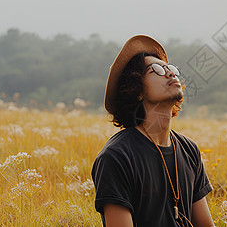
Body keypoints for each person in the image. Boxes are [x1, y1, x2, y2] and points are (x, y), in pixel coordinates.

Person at [91, 35, 215, 227]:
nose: (170, 74)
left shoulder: (189, 149)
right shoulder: (116, 157)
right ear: (137, 90)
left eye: (171, 68)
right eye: (156, 70)